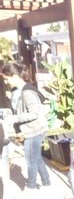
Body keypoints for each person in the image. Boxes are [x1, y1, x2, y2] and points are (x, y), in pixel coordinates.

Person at [2, 62, 50, 191]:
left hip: (34, 130)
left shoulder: (27, 92)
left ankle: (31, 186)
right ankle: (46, 183)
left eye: (6, 79)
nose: (5, 82)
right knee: (36, 157)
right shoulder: (19, 90)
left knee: (30, 160)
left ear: (15, 77)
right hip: (33, 129)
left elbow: (35, 113)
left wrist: (15, 118)